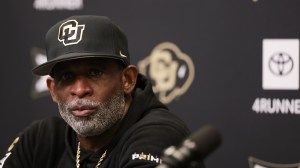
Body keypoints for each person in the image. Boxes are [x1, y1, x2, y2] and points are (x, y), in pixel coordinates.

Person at [0, 15, 204, 168]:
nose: (80, 90)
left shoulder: (157, 133)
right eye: (67, 77)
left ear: (128, 80)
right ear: (53, 90)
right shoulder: (42, 138)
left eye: (94, 72)